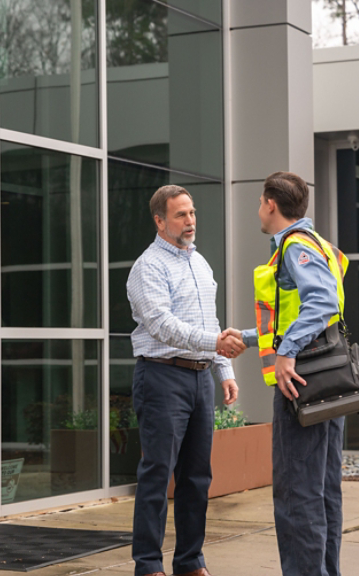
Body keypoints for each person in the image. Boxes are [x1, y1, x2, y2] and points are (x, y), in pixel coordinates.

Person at [127, 185, 243, 576]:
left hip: (199, 380)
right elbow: (162, 325)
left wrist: (222, 369)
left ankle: (190, 562)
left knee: (196, 478)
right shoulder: (149, 267)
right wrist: (215, 343)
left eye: (192, 213)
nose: (190, 221)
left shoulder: (199, 262)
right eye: (181, 215)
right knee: (158, 474)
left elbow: (207, 319)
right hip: (161, 378)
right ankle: (147, 565)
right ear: (160, 221)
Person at [236, 171, 348, 576]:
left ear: (270, 203)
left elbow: (321, 302)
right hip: (327, 383)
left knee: (297, 494)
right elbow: (295, 317)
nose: (259, 211)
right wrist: (249, 338)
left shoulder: (294, 247)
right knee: (322, 493)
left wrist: (285, 353)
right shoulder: (317, 244)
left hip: (301, 387)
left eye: (259, 203)